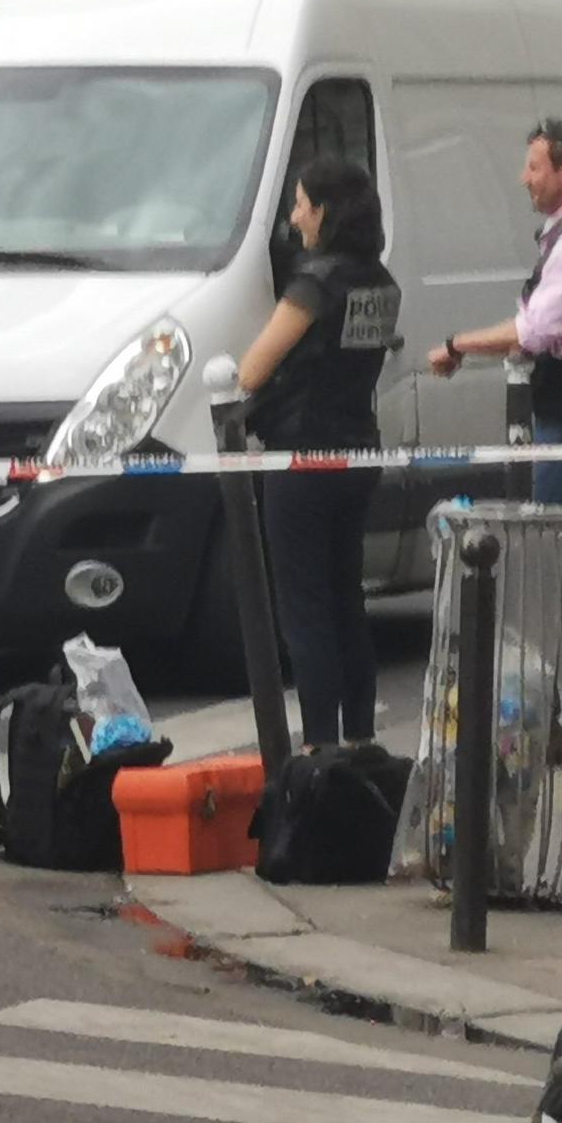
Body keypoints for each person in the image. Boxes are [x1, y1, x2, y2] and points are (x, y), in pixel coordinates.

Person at [237, 155, 401, 749]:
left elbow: (254, 368)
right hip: (356, 451)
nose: (295, 215)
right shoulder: (381, 283)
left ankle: (318, 747)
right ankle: (359, 741)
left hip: (301, 457)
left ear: (324, 211)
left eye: (302, 203)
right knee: (345, 602)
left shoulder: (314, 283)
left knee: (303, 610)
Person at [425, 116, 562, 519]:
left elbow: (534, 332)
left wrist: (457, 345)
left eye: (535, 167)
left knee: (554, 547)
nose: (525, 178)